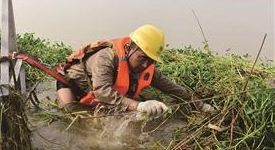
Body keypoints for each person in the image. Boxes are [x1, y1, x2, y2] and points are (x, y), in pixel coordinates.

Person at [56, 24, 214, 116]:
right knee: (72, 115)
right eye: (142, 58)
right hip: (73, 85)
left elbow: (172, 88)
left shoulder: (147, 67)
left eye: (150, 60)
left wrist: (200, 105)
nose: (145, 65)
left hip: (98, 94)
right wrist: (138, 106)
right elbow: (103, 91)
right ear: (130, 48)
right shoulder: (106, 57)